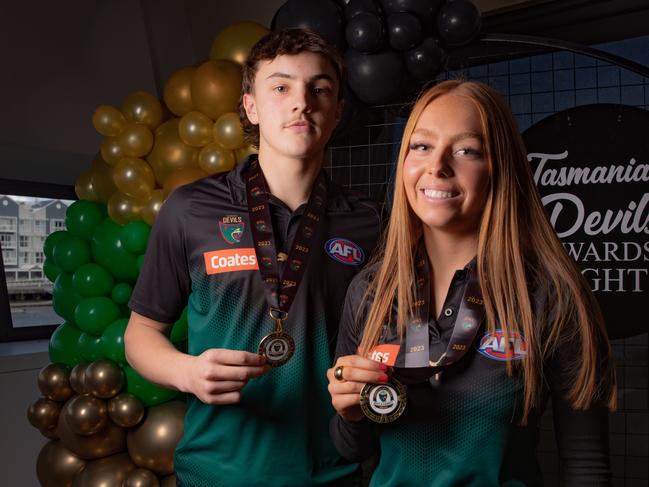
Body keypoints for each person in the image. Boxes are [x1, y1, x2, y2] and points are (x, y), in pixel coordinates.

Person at [327, 80, 617, 486]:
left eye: (467, 150)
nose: (437, 166)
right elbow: (350, 449)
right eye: (422, 146)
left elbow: (587, 467)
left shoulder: (552, 294)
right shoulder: (370, 292)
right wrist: (349, 411)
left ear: (501, 166)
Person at [125, 29, 381, 486]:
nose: (301, 102)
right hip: (215, 473)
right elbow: (140, 335)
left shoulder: (368, 221)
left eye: (319, 89)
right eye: (281, 87)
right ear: (251, 107)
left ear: (338, 111)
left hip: (331, 473)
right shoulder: (189, 208)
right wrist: (186, 371)